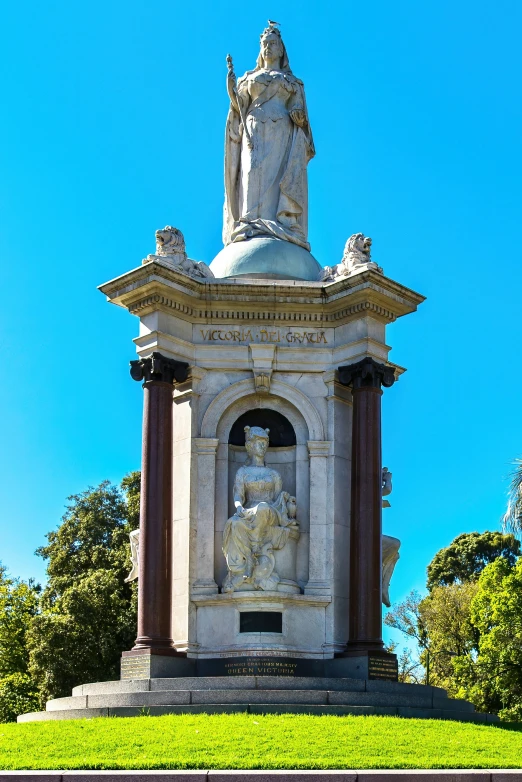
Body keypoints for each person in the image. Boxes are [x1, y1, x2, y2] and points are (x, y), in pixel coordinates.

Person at [224, 23, 315, 251]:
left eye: (272, 43)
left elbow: (302, 119)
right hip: (254, 128)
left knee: (279, 175)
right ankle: (249, 221)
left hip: (282, 131)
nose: (268, 48)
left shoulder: (293, 83)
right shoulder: (249, 78)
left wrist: (299, 118)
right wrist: (232, 89)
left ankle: (279, 222)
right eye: (264, 44)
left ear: (281, 49)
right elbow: (239, 109)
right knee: (251, 172)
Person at [222, 426, 298, 592]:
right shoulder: (242, 472)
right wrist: (239, 508)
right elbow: (238, 496)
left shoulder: (273, 474)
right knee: (234, 523)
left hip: (270, 511)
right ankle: (246, 562)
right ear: (249, 446)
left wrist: (286, 500)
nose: (262, 446)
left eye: (264, 443)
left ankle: (254, 552)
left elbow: (277, 500)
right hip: (248, 512)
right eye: (258, 443)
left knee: (263, 508)